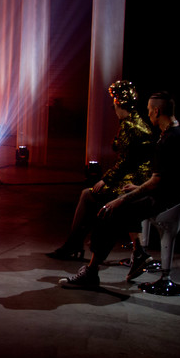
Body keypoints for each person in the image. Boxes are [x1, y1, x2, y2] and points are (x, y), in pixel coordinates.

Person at [59, 91, 180, 288]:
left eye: (149, 110)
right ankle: (138, 253)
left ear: (157, 111)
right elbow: (167, 179)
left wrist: (122, 199)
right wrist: (136, 189)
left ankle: (91, 272)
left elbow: (156, 182)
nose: (148, 114)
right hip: (171, 195)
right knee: (122, 200)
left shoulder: (168, 139)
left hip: (168, 202)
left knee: (110, 210)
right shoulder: (177, 133)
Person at [47, 81, 154, 260]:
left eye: (113, 101)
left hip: (132, 184)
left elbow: (126, 161)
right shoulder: (136, 122)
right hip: (135, 181)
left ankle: (76, 246)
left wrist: (106, 180)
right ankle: (76, 244)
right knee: (89, 197)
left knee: (88, 196)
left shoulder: (130, 126)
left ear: (118, 103)